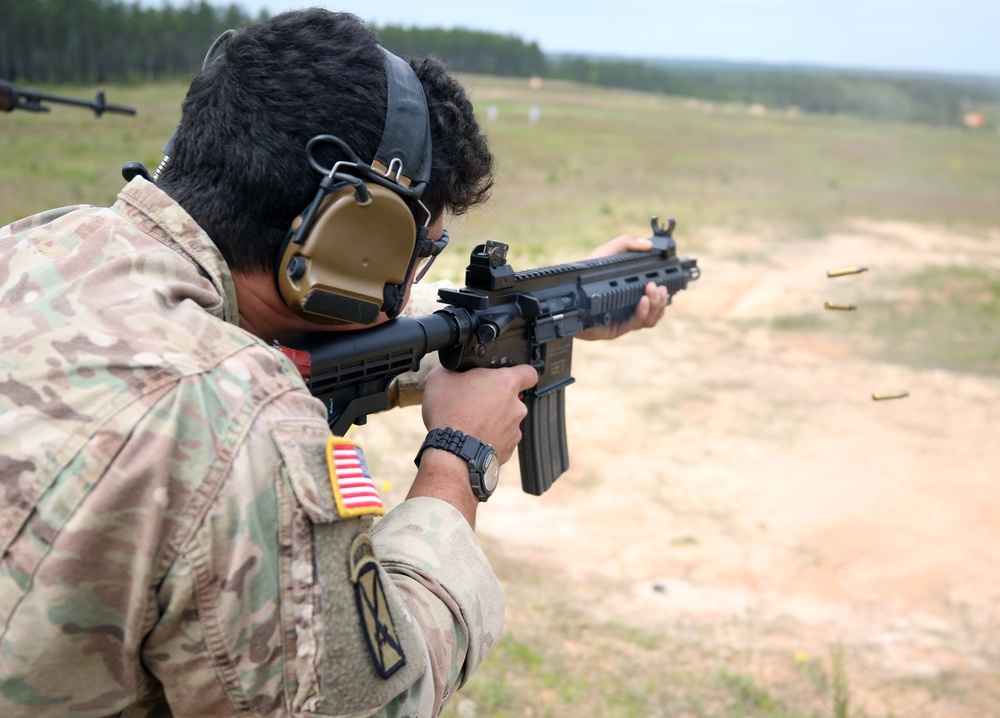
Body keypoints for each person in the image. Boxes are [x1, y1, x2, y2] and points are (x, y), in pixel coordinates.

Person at [0, 9, 668, 717]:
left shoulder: (40, 247)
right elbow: (373, 702)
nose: (409, 284)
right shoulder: (244, 432)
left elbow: (291, 345)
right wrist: (456, 460)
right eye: (418, 252)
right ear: (355, 239)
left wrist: (531, 315)